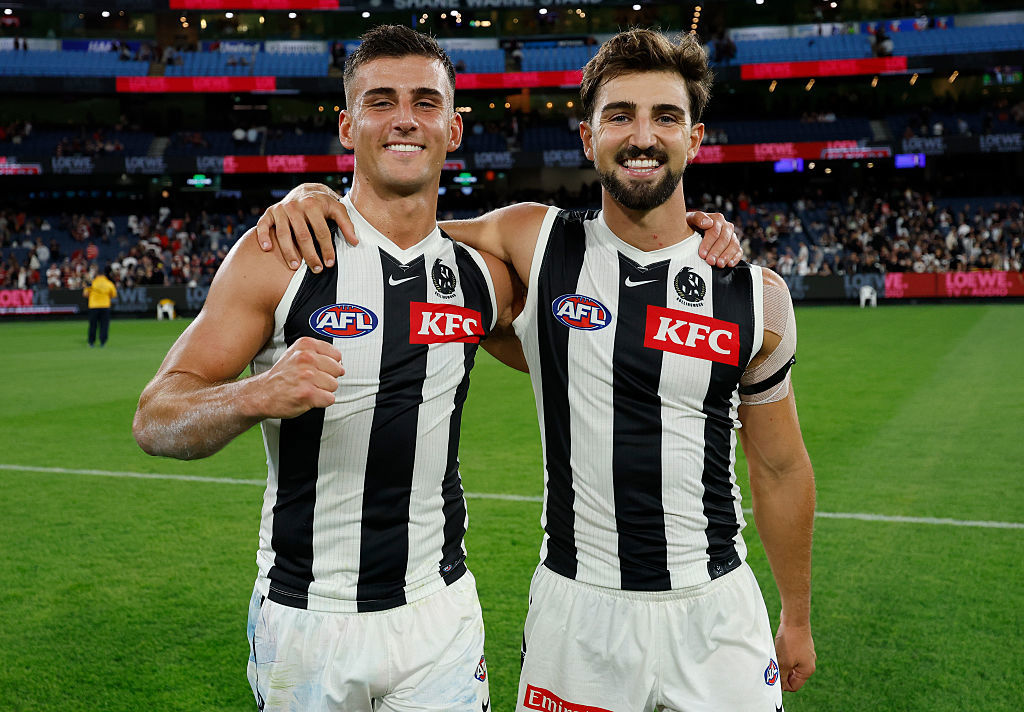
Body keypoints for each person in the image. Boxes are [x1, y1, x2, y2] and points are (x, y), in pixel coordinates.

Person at [133, 25, 728, 712]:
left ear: (454, 126)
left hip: (440, 618)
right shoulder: (283, 255)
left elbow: (610, 346)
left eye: (424, 101)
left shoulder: (482, 276)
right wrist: (256, 394)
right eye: (380, 102)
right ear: (347, 124)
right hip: (306, 616)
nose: (405, 119)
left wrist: (698, 241)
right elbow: (156, 418)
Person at [261, 28, 815, 712]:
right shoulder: (536, 240)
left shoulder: (756, 297)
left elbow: (782, 468)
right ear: (587, 138)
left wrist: (795, 616)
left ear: (695, 139)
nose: (642, 135)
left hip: (717, 612)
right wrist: (309, 197)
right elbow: (401, 226)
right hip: (577, 611)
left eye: (665, 117)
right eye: (620, 116)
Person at [83, 265, 117, 347]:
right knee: (104, 325)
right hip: (105, 306)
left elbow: (85, 294)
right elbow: (114, 295)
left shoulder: (92, 283)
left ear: (96, 274)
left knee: (93, 325)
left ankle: (91, 342)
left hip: (93, 306)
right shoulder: (109, 283)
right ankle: (103, 342)